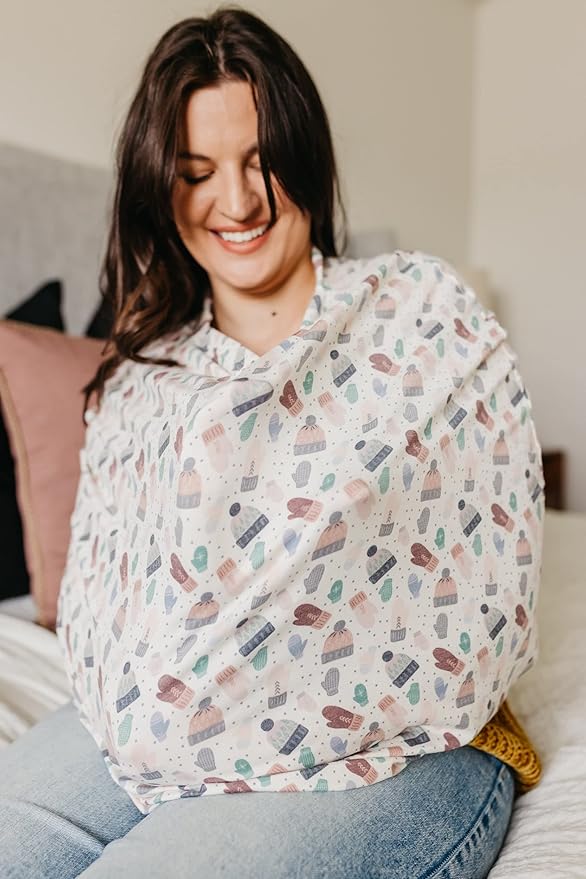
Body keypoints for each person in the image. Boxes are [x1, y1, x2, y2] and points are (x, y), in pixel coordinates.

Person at [0, 6, 544, 878]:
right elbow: (103, 608)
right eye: (197, 171)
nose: (238, 201)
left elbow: (485, 595)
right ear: (160, 188)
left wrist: (219, 705)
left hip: (405, 744)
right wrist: (174, 710)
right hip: (152, 724)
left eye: (261, 161)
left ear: (308, 155)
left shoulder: (419, 314)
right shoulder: (144, 376)